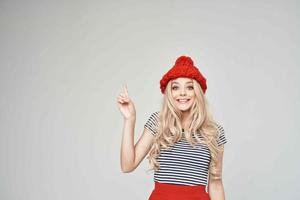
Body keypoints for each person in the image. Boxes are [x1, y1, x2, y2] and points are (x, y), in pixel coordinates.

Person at [117, 55, 228, 200]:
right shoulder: (158, 123)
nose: (182, 93)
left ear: (198, 92)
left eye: (189, 87)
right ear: (169, 93)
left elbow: (216, 182)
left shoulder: (214, 132)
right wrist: (129, 119)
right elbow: (127, 165)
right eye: (176, 87)